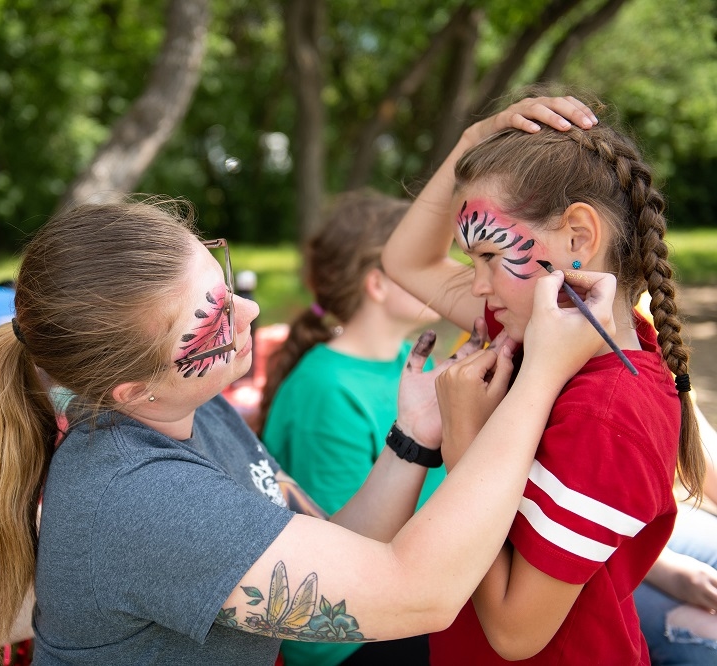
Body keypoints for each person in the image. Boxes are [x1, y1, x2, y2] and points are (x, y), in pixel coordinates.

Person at [0, 148, 613, 664]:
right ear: (133, 390)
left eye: (223, 284)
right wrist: (542, 376)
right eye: (212, 323)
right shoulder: (141, 497)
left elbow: (340, 546)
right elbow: (419, 595)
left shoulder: (194, 409)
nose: (249, 311)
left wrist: (413, 436)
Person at [383, 90, 707, 665]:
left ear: (578, 239)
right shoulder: (535, 324)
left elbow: (514, 633)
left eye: (489, 255)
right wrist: (471, 141)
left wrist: (463, 444)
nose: (477, 284)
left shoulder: (607, 416)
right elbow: (406, 261)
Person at [259, 189, 441, 666]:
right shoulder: (327, 390)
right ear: (377, 284)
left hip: (409, 594)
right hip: (347, 638)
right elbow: (344, 562)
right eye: (426, 261)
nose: (446, 273)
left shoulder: (412, 361)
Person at [635, 402, 717, 665]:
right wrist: (673, 574)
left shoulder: (671, 376)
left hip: (663, 516)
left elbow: (698, 445)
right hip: (603, 552)